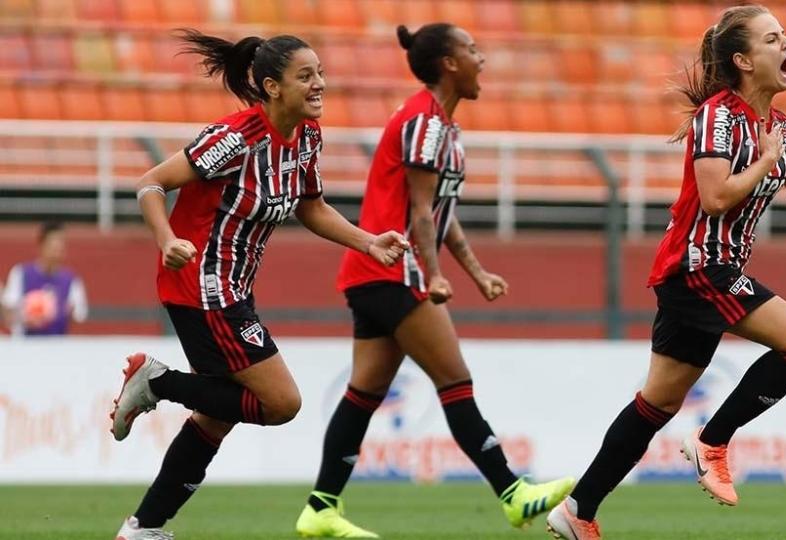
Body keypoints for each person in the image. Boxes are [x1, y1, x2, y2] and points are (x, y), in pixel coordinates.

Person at [546, 5, 786, 539]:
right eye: (774, 39)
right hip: (700, 268)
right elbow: (716, 196)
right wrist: (765, 162)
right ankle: (712, 441)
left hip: (702, 275)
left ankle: (577, 511)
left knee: (657, 403)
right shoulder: (718, 118)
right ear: (744, 60)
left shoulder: (783, 130)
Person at [108, 29, 408, 540]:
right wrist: (165, 238)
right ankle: (157, 382)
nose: (319, 84)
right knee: (281, 404)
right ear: (272, 86)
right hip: (202, 286)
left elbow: (310, 207)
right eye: (305, 76)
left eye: (321, 73)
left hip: (232, 289)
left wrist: (367, 242)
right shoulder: (235, 138)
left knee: (216, 417)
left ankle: (143, 528)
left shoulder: (307, 137)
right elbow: (150, 183)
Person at [294, 23, 573, 539]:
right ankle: (513, 494)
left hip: (375, 272)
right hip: (394, 268)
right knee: (455, 381)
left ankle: (320, 508)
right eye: (472, 49)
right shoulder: (425, 124)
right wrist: (436, 275)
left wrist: (476, 270)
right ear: (448, 63)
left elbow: (441, 213)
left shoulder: (439, 126)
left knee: (365, 390)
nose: (481, 58)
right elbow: (421, 213)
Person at [1, 221, 88, 337]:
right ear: (42, 245)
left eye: (61, 243)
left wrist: (62, 311)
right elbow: (9, 314)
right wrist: (27, 317)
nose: (58, 248)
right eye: (53, 244)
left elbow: (78, 316)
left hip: (57, 346)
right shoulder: (22, 273)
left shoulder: (71, 280)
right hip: (25, 344)